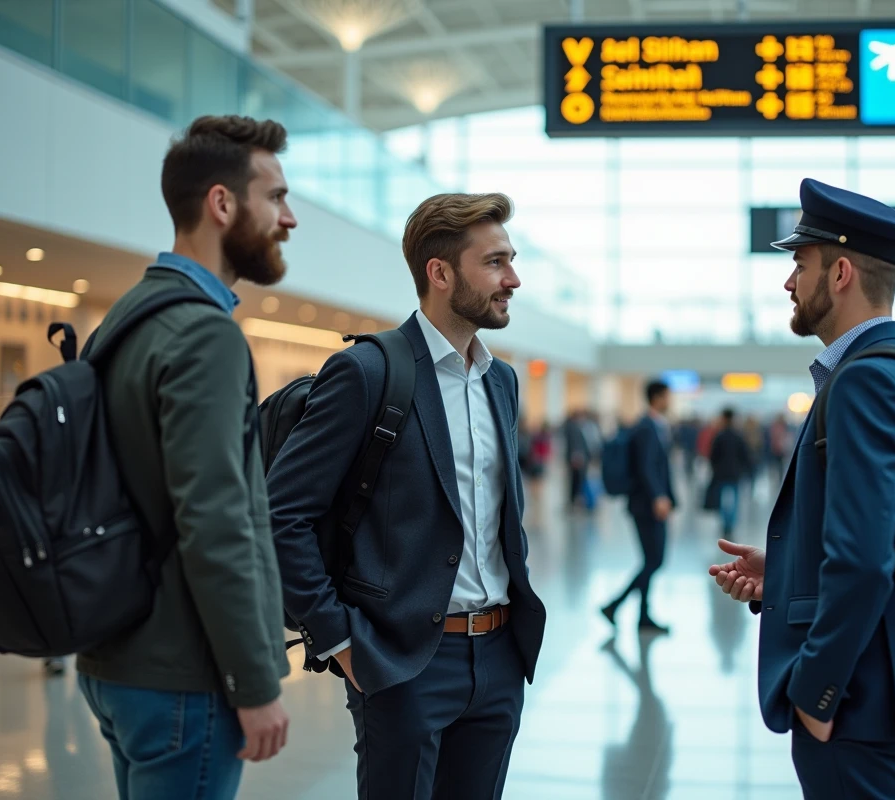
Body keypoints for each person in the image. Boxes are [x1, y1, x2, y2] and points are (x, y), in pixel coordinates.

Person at [269, 192, 546, 800]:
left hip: (497, 657)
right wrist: (340, 641)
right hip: (401, 661)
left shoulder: (500, 380)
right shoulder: (369, 372)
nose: (513, 279)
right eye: (496, 262)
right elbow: (281, 514)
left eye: (512, 259)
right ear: (440, 273)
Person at [707, 178, 895, 799]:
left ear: (842, 272)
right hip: (887, 679)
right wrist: (790, 568)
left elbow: (863, 560)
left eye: (800, 264)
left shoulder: (864, 383)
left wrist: (817, 694)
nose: (789, 282)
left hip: (857, 694)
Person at [74, 115, 294, 800]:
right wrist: (253, 682)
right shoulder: (205, 336)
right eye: (277, 197)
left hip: (118, 656)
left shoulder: (128, 316)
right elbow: (216, 519)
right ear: (223, 204)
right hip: (183, 675)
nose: (289, 219)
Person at [601, 380, 676, 635]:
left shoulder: (653, 425)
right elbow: (646, 466)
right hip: (646, 505)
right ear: (657, 397)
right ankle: (615, 605)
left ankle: (642, 615)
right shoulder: (646, 427)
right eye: (667, 396)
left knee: (651, 560)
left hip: (648, 503)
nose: (670, 401)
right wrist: (658, 497)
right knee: (654, 560)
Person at [704, 408, 752, 538]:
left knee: (721, 500)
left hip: (721, 474)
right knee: (735, 501)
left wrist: (714, 468)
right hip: (736, 474)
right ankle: (730, 524)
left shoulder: (719, 436)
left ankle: (725, 524)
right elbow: (745, 455)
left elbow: (713, 456)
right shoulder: (739, 436)